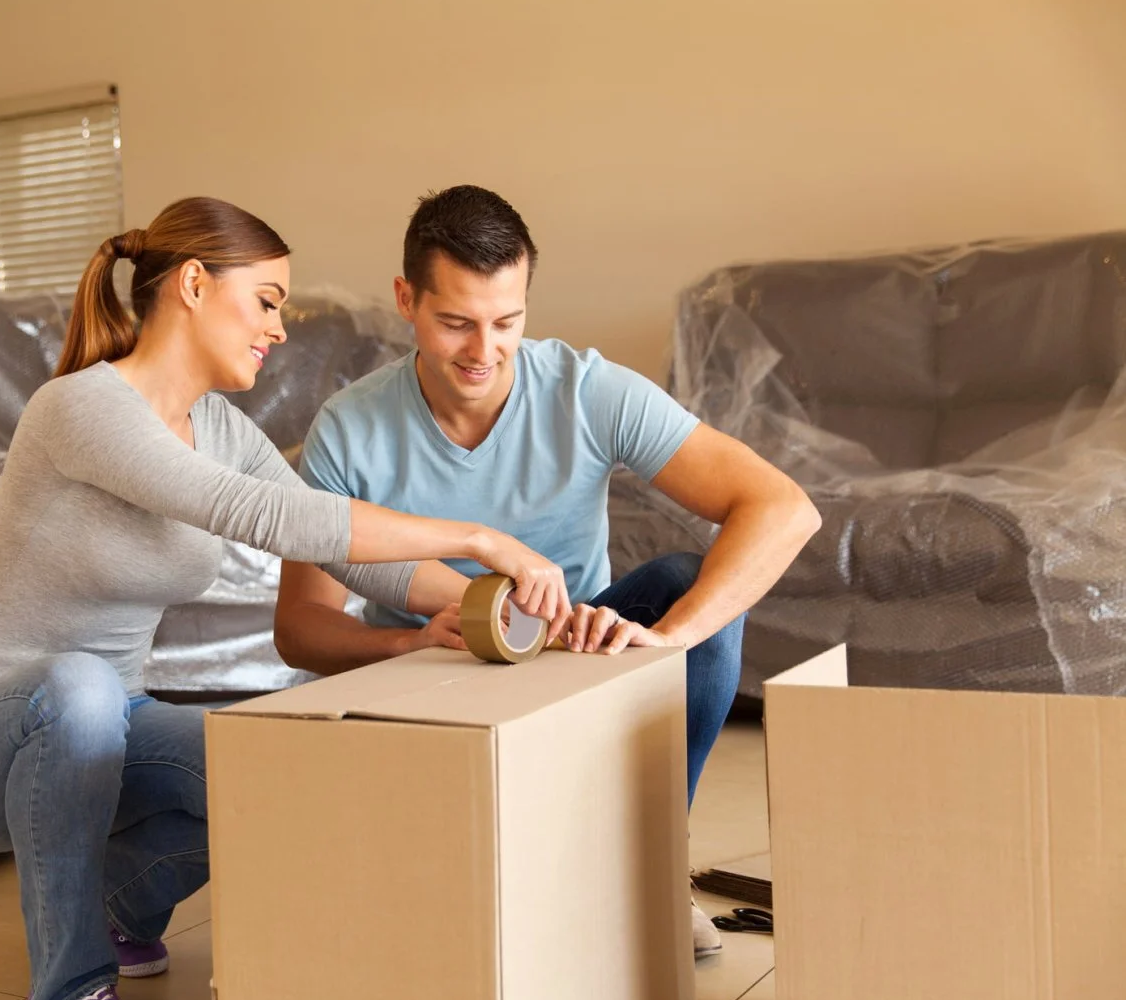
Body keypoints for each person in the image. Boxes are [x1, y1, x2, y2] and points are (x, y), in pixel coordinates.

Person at [0, 196, 571, 1000]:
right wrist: (479, 536)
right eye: (268, 301)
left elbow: (346, 550)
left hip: (108, 727)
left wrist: (489, 601)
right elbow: (258, 515)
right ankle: (69, 990)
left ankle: (118, 911)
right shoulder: (79, 410)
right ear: (196, 285)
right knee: (79, 685)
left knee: (274, 768)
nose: (277, 329)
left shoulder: (221, 429)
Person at [273, 185, 821, 958]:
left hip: (568, 655)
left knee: (681, 579)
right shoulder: (351, 428)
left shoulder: (585, 390)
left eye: (507, 321)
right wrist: (409, 645)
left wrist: (669, 642)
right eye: (455, 322)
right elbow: (300, 630)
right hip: (428, 680)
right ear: (406, 299)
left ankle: (654, 866)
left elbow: (783, 507)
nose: (483, 351)